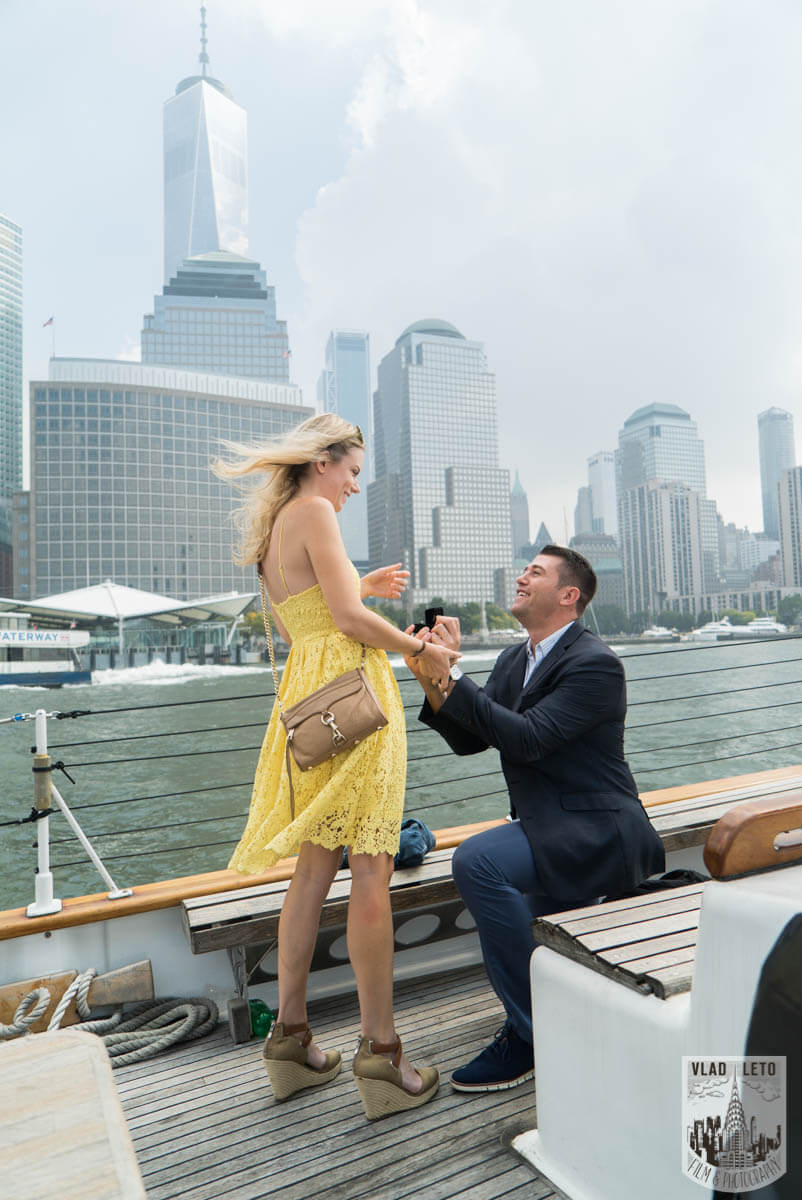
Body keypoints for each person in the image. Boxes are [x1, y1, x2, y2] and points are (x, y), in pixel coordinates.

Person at [213, 414, 452, 1120]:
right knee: (371, 866)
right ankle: (382, 1055)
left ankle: (291, 1041)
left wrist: (357, 582)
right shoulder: (317, 507)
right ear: (322, 461)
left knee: (314, 871)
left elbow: (306, 622)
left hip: (305, 701)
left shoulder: (276, 528)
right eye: (351, 470)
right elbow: (345, 622)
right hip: (355, 694)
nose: (353, 486)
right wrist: (419, 652)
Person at [404, 544, 665, 1093]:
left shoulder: (595, 663)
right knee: (546, 940)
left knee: (476, 861)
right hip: (549, 827)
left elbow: (529, 739)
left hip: (598, 830)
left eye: (535, 572)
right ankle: (553, 1020)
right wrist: (434, 677)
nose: (521, 577)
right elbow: (469, 740)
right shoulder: (513, 659)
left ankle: (533, 1035)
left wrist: (451, 676)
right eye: (525, 569)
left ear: (568, 596)